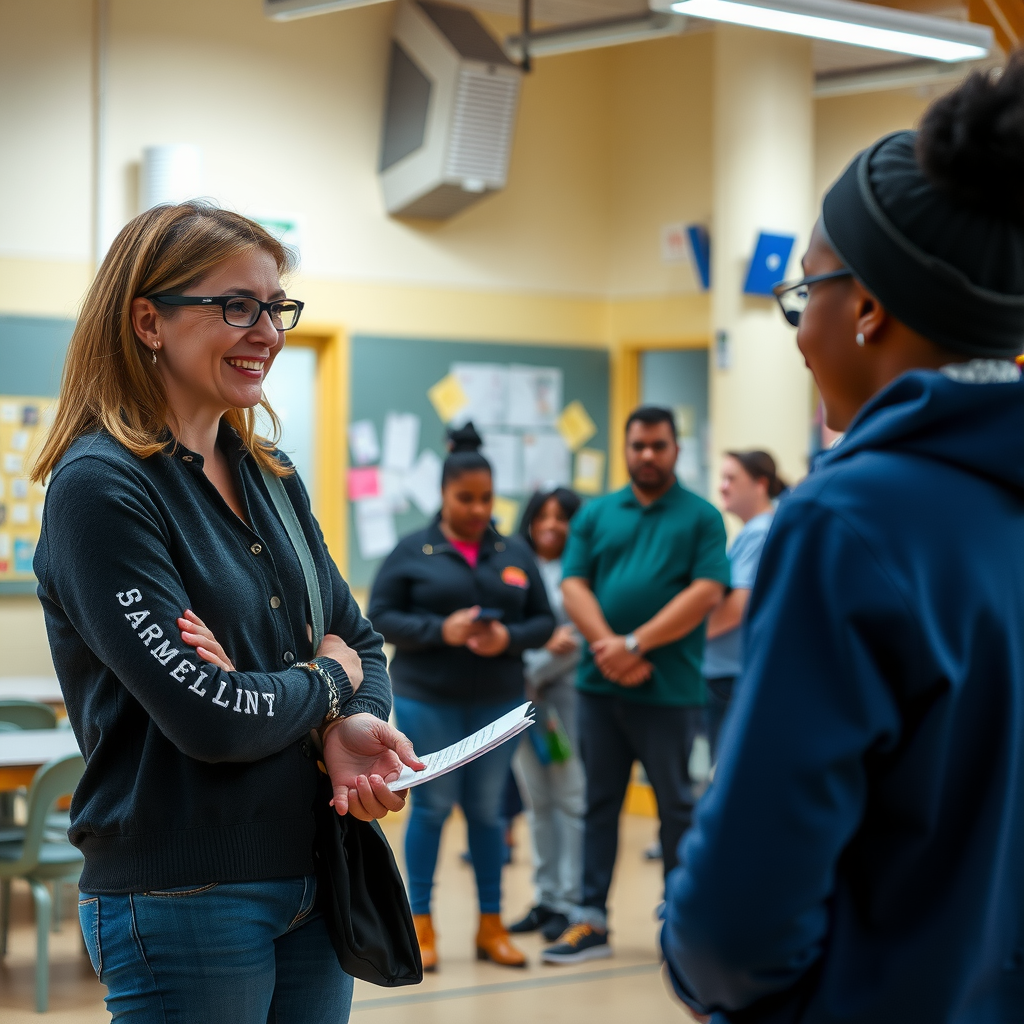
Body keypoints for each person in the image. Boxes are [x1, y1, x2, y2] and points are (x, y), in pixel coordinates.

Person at [662, 57, 1024, 1023]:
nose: (794, 331)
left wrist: (697, 960)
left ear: (868, 309)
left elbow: (736, 923)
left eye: (803, 295)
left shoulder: (854, 522)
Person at [31, 202, 421, 1024]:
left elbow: (363, 643)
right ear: (149, 320)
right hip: (184, 891)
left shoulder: (270, 476)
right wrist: (323, 680)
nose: (267, 333)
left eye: (275, 308)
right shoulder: (103, 488)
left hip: (316, 872)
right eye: (235, 306)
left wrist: (344, 722)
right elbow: (211, 718)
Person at [542, 406, 729, 964]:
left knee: (676, 805)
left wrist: (635, 645)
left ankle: (682, 921)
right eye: (639, 445)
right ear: (627, 449)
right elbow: (573, 585)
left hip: (667, 690)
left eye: (658, 445)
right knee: (599, 802)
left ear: (675, 449)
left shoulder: (700, 517)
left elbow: (706, 591)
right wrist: (610, 648)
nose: (647, 455)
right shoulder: (598, 514)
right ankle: (590, 921)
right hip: (600, 690)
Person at [367, 424, 555, 970]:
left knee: (489, 813)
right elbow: (379, 617)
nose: (477, 509)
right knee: (433, 808)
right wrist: (439, 630)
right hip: (431, 698)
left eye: (486, 499)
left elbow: (542, 621)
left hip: (498, 702)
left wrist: (509, 639)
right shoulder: (412, 550)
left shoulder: (512, 550)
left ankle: (491, 926)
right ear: (444, 496)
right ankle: (421, 927)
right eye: (465, 498)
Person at [508, 487, 586, 943]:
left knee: (570, 799)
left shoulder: (582, 570)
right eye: (543, 516)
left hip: (565, 699)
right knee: (537, 800)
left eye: (562, 517)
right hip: (522, 702)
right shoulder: (516, 566)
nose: (551, 525)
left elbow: (577, 636)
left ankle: (571, 901)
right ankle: (546, 896)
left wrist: (533, 670)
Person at [702, 451, 784, 761]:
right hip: (729, 674)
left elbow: (736, 609)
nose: (722, 486)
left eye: (731, 478)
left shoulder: (760, 533)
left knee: (723, 768)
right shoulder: (754, 532)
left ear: (761, 484)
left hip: (730, 677)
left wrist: (680, 635)